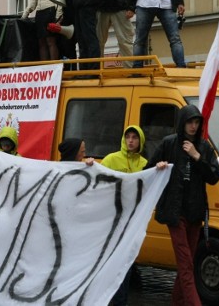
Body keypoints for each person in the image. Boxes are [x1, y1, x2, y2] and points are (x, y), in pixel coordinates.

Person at [146, 105, 219, 306]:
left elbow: (215, 176)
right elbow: (148, 170)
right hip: (174, 211)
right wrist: (158, 168)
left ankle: (177, 302)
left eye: (197, 122)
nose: (193, 126)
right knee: (186, 262)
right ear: (182, 122)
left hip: (195, 213)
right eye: (190, 122)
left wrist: (197, 157)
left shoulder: (204, 147)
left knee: (186, 263)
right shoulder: (169, 143)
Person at [99, 125, 148, 305]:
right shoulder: (111, 160)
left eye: (135, 137)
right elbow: (99, 180)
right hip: (113, 221)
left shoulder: (144, 164)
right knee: (111, 263)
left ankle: (120, 301)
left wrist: (159, 169)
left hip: (132, 222)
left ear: (140, 140)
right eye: (128, 137)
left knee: (126, 263)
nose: (131, 140)